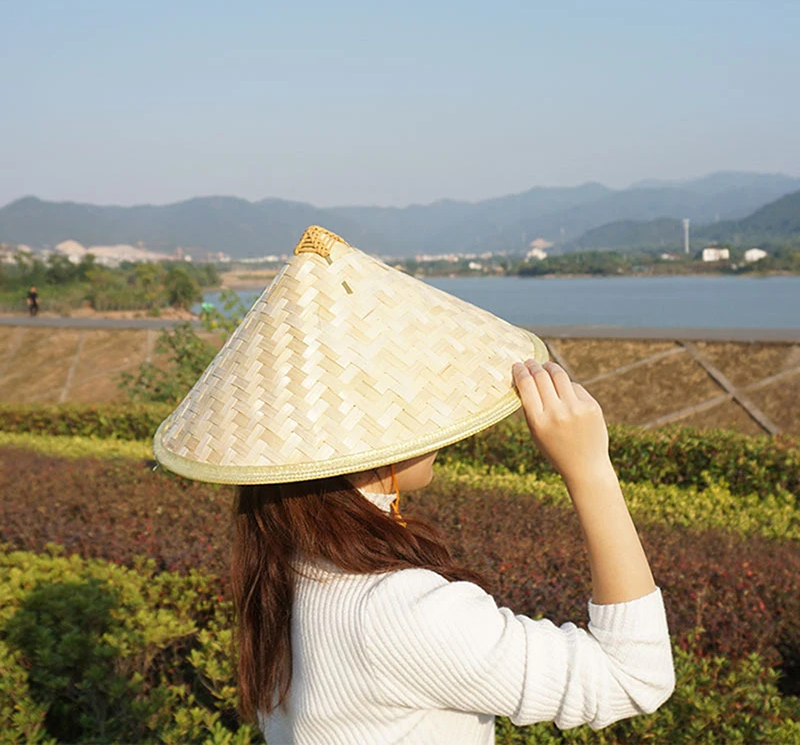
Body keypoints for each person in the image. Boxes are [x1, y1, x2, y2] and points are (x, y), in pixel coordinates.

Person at [154, 226, 674, 744]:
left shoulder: (289, 559)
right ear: (365, 447)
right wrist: (590, 471)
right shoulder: (395, 611)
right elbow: (633, 677)